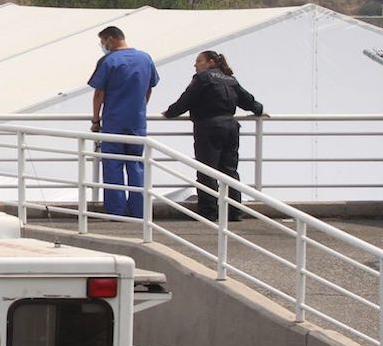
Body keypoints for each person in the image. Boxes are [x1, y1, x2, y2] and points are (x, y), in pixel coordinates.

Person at [162, 50, 264, 222]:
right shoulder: (230, 80)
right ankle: (234, 211)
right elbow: (247, 100)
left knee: (206, 170)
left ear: (210, 62)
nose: (195, 65)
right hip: (231, 127)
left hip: (209, 127)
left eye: (198, 61)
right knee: (229, 171)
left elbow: (186, 100)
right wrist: (259, 110)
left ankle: (209, 211)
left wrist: (169, 113)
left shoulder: (202, 79)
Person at [88, 26, 159, 218]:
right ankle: (139, 211)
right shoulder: (145, 58)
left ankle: (117, 211)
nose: (103, 46)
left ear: (110, 40)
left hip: (114, 122)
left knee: (113, 167)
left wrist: (96, 119)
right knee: (136, 167)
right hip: (137, 122)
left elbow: (99, 93)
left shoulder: (108, 61)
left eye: (103, 42)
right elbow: (149, 87)